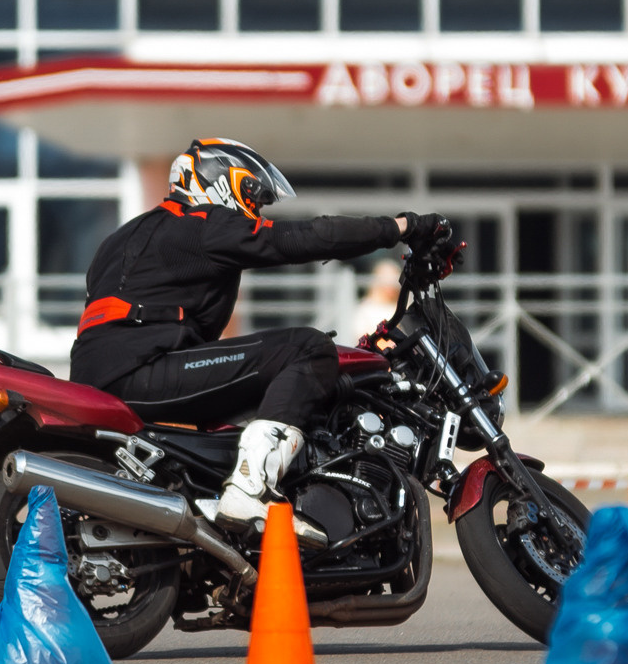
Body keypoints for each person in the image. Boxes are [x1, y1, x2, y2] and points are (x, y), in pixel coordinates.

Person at [70, 137, 424, 529]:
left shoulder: (121, 238)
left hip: (100, 377)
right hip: (144, 371)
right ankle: (249, 489)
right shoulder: (203, 225)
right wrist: (399, 227)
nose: (254, 208)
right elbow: (304, 238)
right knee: (308, 348)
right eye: (251, 194)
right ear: (220, 181)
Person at [340, 255, 405, 346]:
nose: (390, 287)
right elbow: (361, 336)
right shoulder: (366, 309)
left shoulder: (402, 306)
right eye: (386, 281)